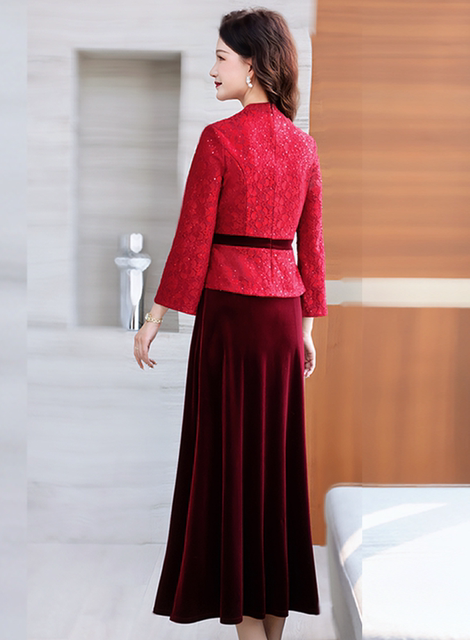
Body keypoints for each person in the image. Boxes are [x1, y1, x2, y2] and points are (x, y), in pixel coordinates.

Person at [133, 8, 327, 640]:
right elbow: (311, 247)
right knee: (274, 474)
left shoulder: (219, 140)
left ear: (253, 64)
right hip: (281, 321)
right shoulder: (304, 147)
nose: (212, 69)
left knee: (233, 472)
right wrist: (306, 327)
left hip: (230, 321)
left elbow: (193, 237)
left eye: (221, 57)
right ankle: (272, 630)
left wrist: (154, 316)